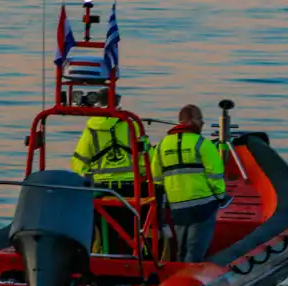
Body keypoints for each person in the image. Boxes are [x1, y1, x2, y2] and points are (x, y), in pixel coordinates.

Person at [71, 88, 149, 255]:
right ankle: (134, 258)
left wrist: (91, 178)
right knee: (132, 230)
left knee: (107, 231)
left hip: (103, 189)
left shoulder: (91, 129)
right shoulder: (132, 124)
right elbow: (144, 158)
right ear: (117, 102)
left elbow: (78, 162)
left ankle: (107, 256)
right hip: (130, 189)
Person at [151, 104, 228, 263]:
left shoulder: (161, 146)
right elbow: (215, 175)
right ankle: (192, 279)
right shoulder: (202, 144)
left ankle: (179, 273)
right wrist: (221, 197)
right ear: (190, 121)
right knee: (195, 250)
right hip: (203, 205)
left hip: (177, 207)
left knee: (182, 248)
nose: (203, 123)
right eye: (200, 119)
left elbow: (156, 178)